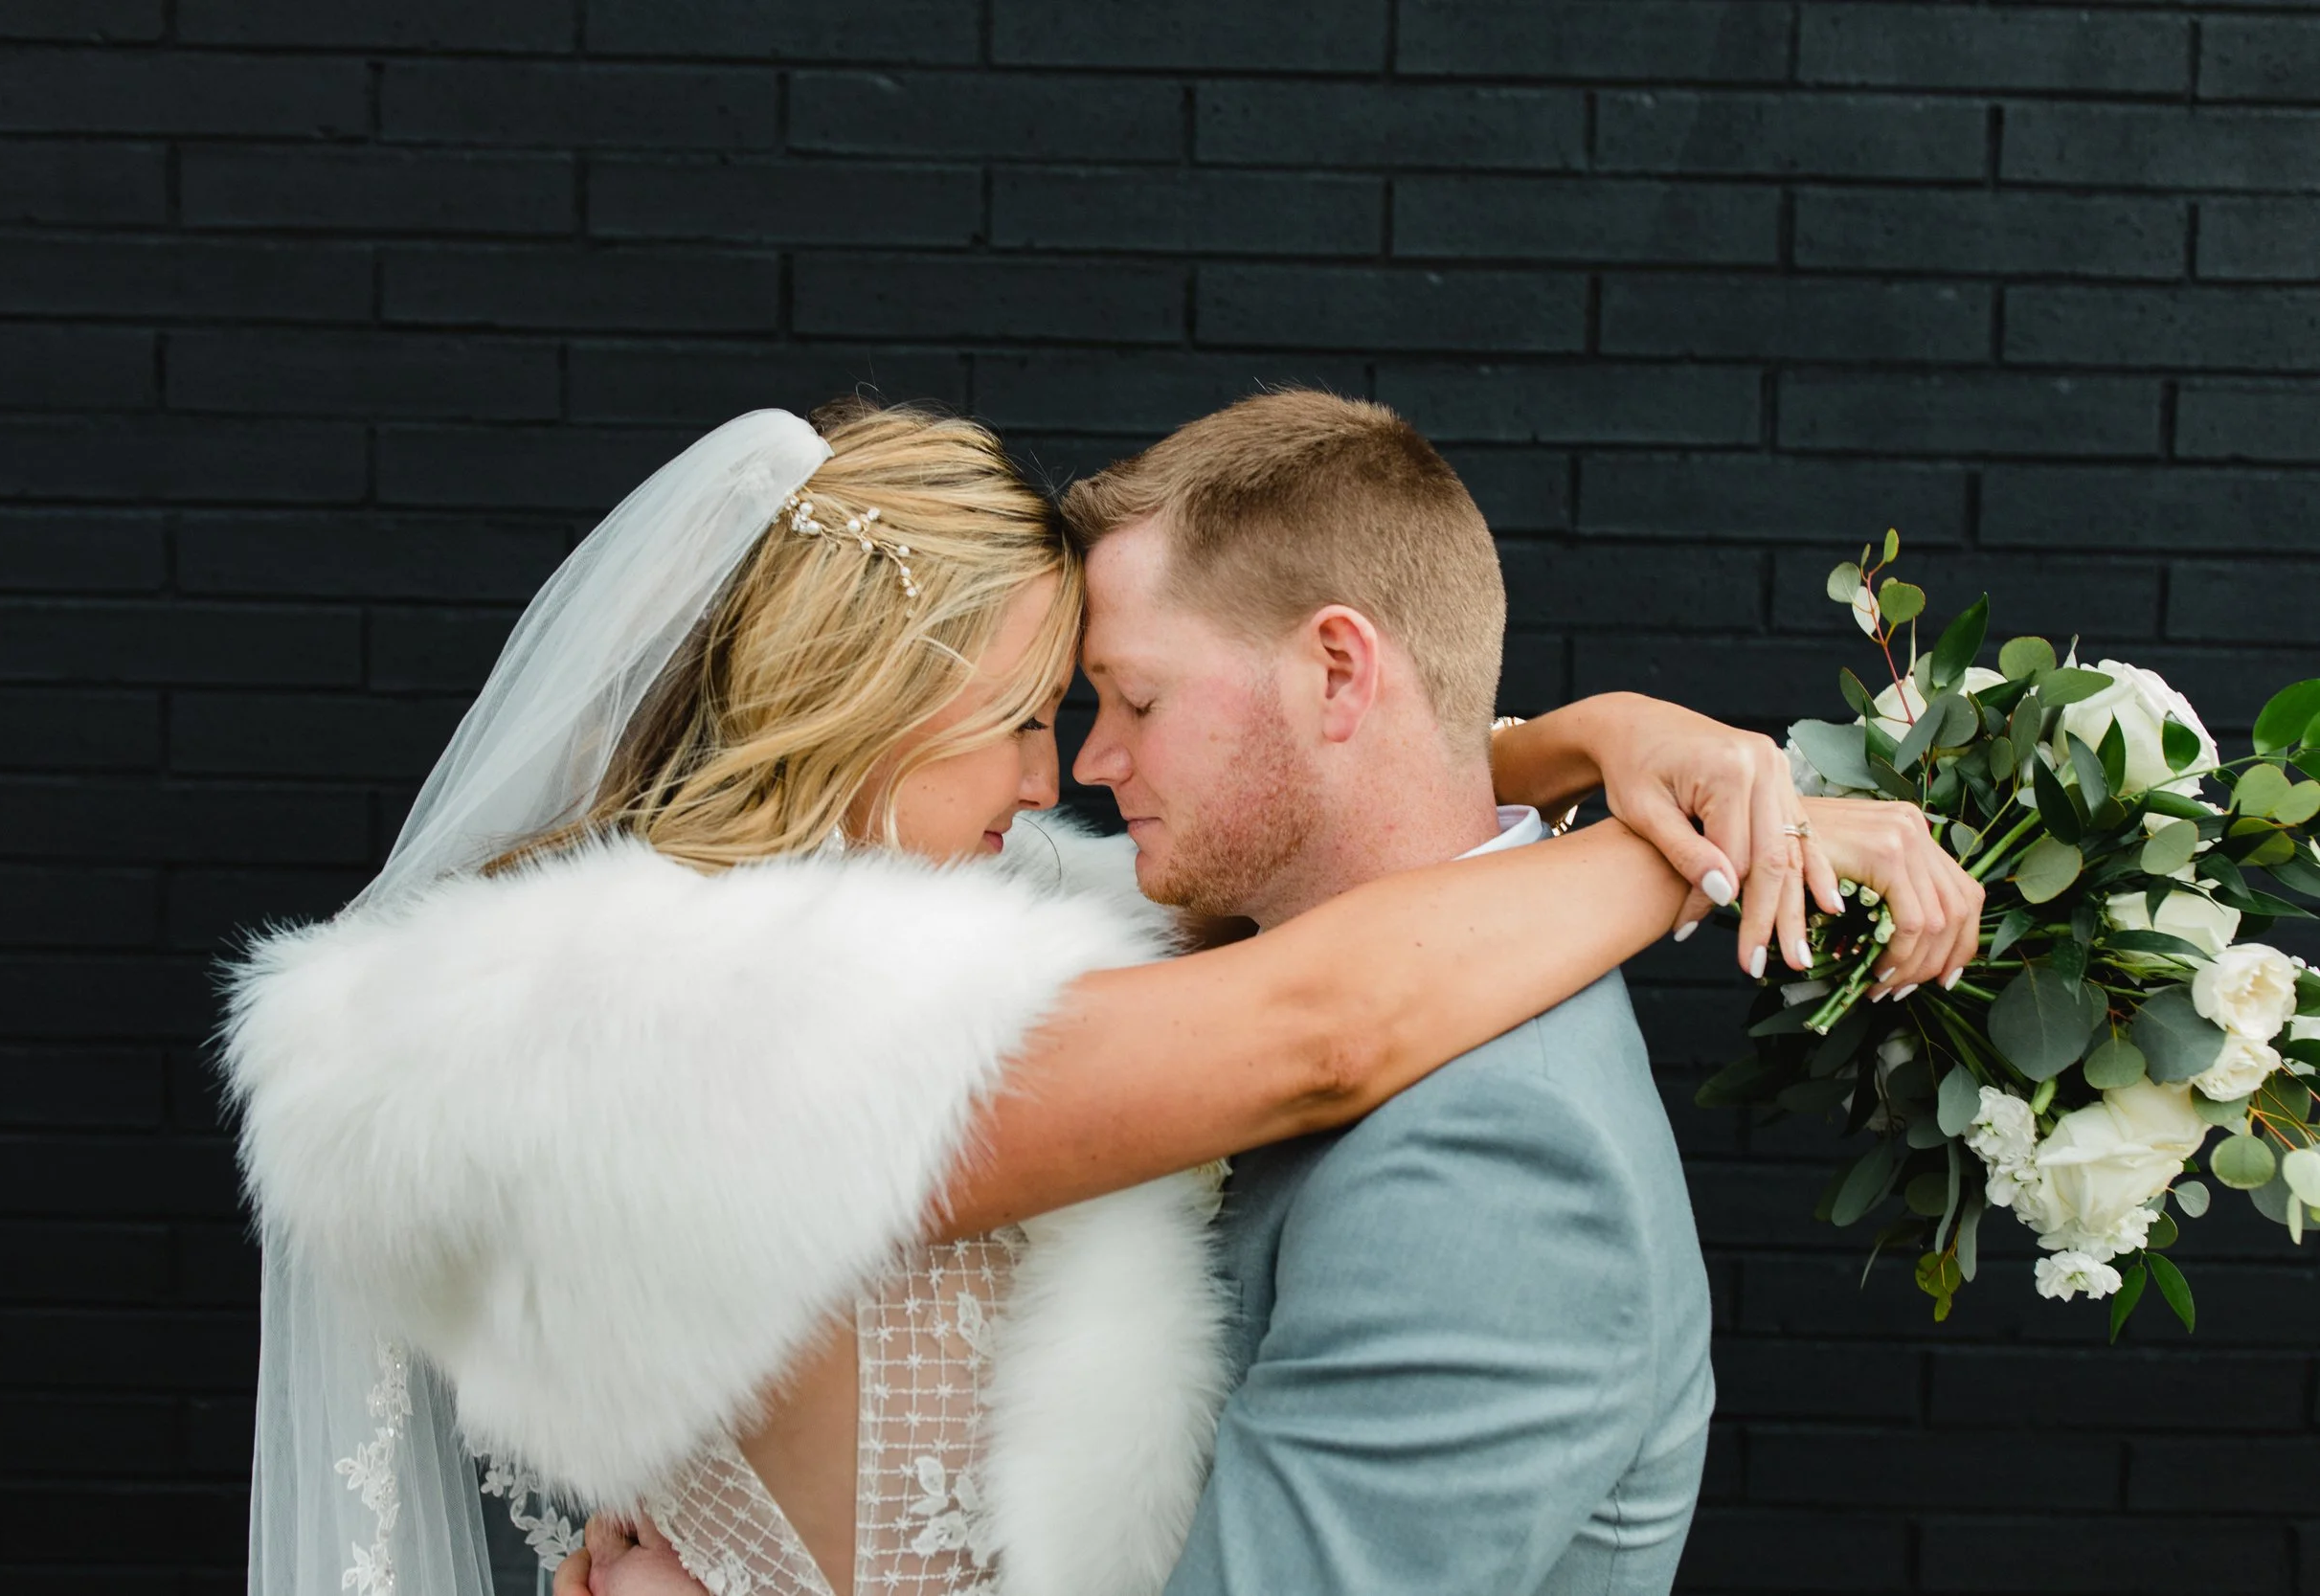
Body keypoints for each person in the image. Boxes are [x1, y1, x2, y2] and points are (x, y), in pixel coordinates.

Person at [223, 399, 1976, 1596]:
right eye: (1033, 712)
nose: (1068, 767)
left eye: (1107, 699)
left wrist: (1601, 737)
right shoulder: (702, 1029)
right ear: (854, 710)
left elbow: (1307, 865)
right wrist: (1713, 837)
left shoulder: (1009, 935)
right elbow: (1317, 1023)